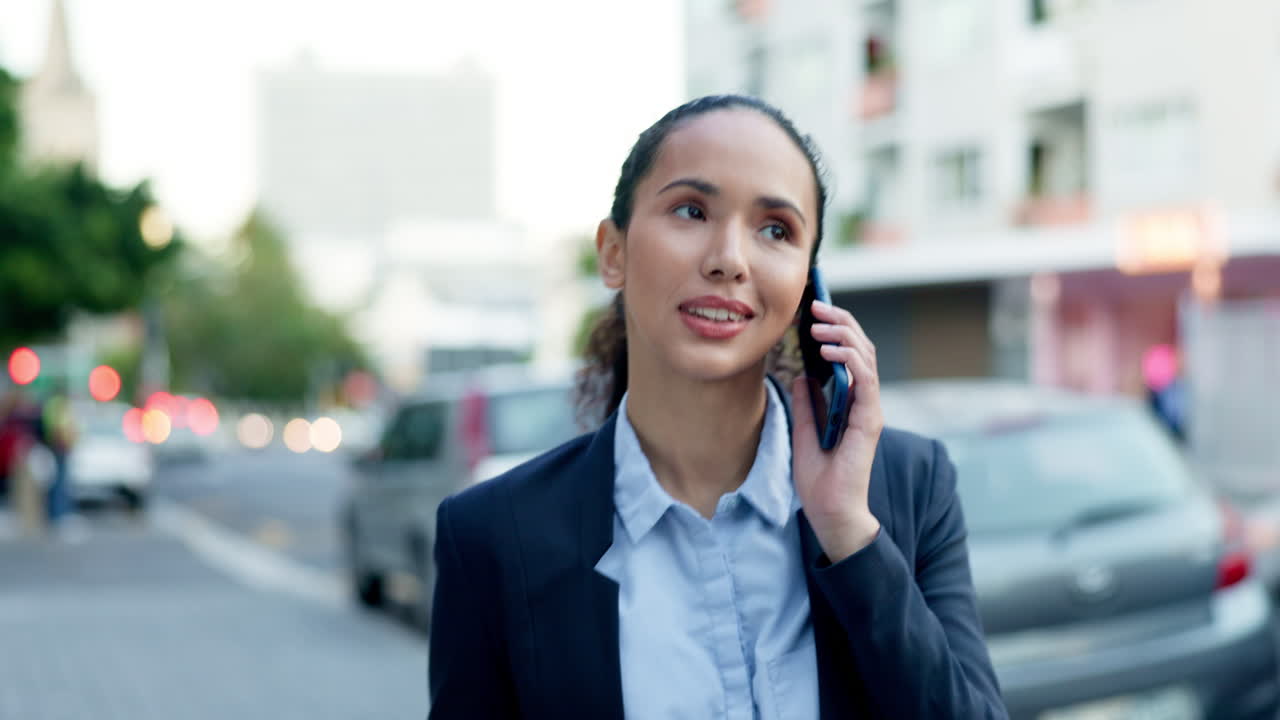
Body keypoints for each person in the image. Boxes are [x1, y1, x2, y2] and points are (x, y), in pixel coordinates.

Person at [427, 95, 1007, 719]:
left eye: (775, 229)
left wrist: (848, 534)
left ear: (807, 284)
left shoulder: (910, 486)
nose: (729, 259)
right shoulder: (493, 536)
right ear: (613, 252)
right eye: (691, 210)